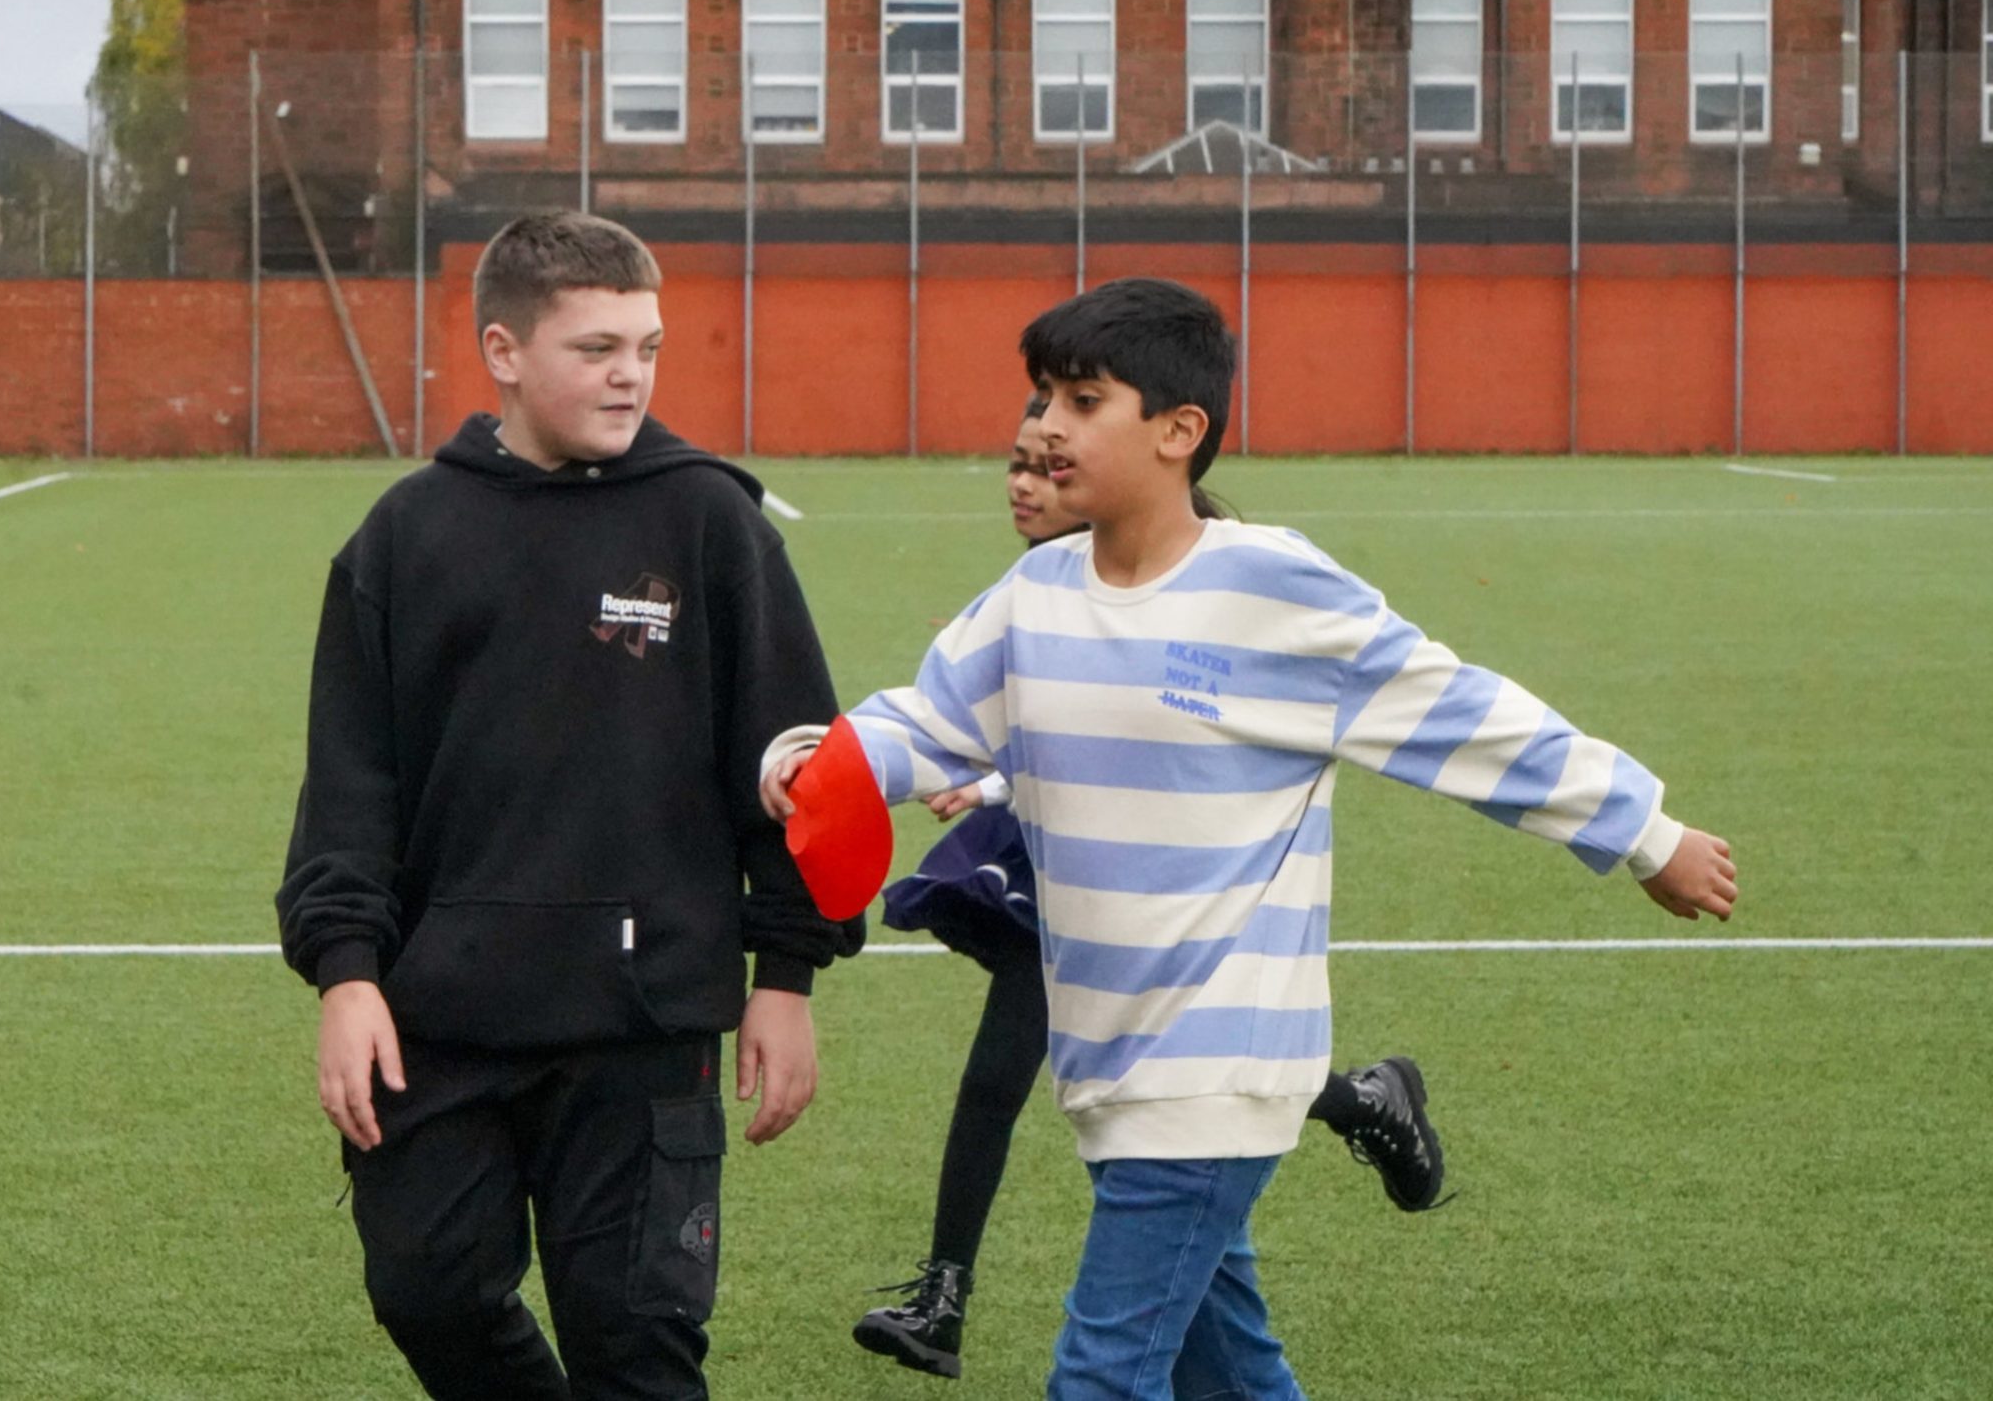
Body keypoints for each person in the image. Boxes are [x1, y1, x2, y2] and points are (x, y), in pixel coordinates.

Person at [764, 277, 1738, 1401]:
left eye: (1084, 401)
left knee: (1101, 1379)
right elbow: (925, 725)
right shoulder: (1034, 594)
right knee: (1228, 1376)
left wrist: (1644, 832)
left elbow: (1460, 714)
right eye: (1044, 398)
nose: (1047, 427)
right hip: (1108, 1058)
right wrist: (817, 761)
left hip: (1217, 1066)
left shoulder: (1272, 588)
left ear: (1180, 431)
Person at [279, 210, 861, 1401]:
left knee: (636, 1348)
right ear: (502, 350)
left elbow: (802, 764)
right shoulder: (404, 536)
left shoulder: (708, 522)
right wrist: (345, 974)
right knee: (430, 1292)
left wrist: (788, 977)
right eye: (595, 349)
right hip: (439, 1016)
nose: (629, 376)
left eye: (646, 348)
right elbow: (350, 783)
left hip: (642, 1026)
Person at [851, 401, 1448, 1384]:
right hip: (1062, 871)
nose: (1024, 483)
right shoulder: (1035, 592)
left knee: (1139, 1123)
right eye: (1015, 463)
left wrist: (992, 780)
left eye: (1046, 463)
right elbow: (1011, 711)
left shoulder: (1190, 584)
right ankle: (944, 1291)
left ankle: (1356, 1100)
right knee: (1133, 1168)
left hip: (1148, 888)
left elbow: (1151, 731)